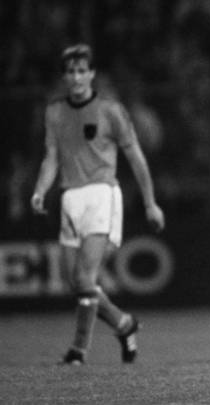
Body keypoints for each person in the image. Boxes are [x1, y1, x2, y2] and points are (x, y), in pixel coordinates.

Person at [31, 44, 165, 365]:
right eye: (70, 71)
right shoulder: (55, 112)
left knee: (85, 279)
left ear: (92, 74)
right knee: (74, 283)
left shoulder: (111, 111)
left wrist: (150, 204)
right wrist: (40, 190)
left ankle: (78, 351)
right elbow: (51, 158)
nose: (76, 77)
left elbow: (136, 157)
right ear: (64, 76)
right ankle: (124, 324)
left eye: (82, 71)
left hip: (102, 194)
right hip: (70, 198)